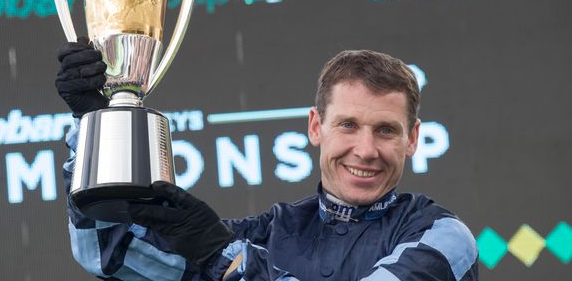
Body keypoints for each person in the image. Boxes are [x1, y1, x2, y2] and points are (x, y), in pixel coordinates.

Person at [56, 39, 479, 281]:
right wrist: (95, 127)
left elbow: (226, 257)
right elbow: (111, 253)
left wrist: (223, 256)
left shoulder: (443, 237)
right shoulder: (266, 234)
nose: (366, 150)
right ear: (316, 128)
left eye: (385, 130)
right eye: (348, 125)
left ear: (413, 139)